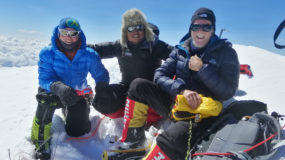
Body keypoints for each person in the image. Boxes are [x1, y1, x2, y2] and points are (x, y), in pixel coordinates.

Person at [109, 8, 240, 160]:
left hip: (200, 113)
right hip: (175, 103)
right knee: (138, 85)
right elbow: (159, 76)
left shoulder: (226, 53)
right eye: (196, 26)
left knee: (170, 141)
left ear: (213, 30)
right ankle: (134, 142)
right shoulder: (181, 50)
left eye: (206, 27)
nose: (200, 31)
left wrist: (203, 69)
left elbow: (228, 91)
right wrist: (182, 90)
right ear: (191, 29)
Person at [30, 17, 109, 160]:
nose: (68, 37)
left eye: (73, 34)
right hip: (53, 91)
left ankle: (70, 111)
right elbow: (44, 79)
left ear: (79, 34)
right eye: (64, 32)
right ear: (58, 32)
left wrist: (102, 89)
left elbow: (101, 74)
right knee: (45, 101)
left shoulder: (89, 55)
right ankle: (40, 141)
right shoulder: (47, 53)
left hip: (76, 94)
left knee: (78, 131)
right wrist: (59, 87)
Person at [88, 8, 173, 124]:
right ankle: (130, 113)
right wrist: (65, 46)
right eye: (130, 28)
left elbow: (179, 57)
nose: (135, 32)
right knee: (102, 100)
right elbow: (94, 50)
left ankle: (149, 114)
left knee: (141, 86)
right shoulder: (120, 45)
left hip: (151, 91)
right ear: (125, 31)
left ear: (145, 30)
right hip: (127, 88)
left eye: (139, 28)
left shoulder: (156, 45)